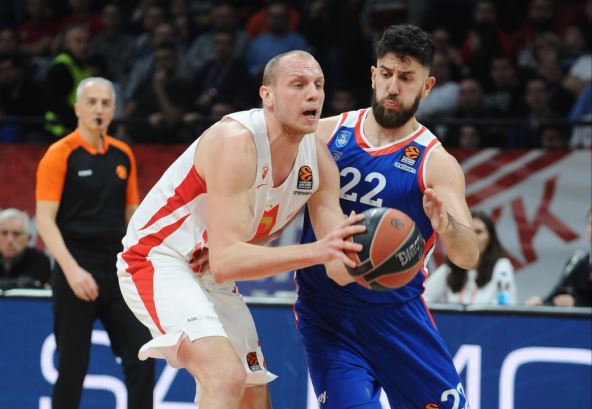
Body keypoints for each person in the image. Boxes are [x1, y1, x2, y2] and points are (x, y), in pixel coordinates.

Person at [116, 50, 365, 409]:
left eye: (319, 84)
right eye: (298, 85)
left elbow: (338, 266)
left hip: (209, 264)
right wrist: (318, 250)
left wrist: (377, 262)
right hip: (158, 257)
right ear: (268, 95)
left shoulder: (320, 163)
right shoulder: (235, 140)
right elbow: (227, 263)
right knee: (224, 375)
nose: (313, 94)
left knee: (253, 394)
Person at [294, 24, 480, 409]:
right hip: (329, 317)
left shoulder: (436, 162)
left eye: (406, 78)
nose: (393, 87)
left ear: (427, 86)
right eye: (387, 74)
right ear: (373, 75)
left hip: (396, 317)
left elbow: (468, 256)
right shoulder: (325, 135)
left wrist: (445, 227)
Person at [35, 77, 154, 409]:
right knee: (72, 368)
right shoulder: (59, 154)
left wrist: (143, 262)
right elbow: (44, 220)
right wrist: (72, 271)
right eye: (91, 102)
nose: (98, 109)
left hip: (116, 268)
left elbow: (133, 216)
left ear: (113, 109)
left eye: (105, 103)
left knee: (142, 356)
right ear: (77, 108)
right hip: (75, 266)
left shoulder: (123, 154)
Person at [424, 210, 517, 305]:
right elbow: (424, 296)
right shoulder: (450, 268)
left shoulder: (501, 266)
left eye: (478, 232)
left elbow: (506, 305)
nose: (473, 237)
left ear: (490, 238)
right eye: (469, 232)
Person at [526, 208, 591, 307]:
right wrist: (542, 303)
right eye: (591, 223)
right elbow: (557, 294)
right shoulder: (578, 261)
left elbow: (576, 302)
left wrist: (578, 304)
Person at [0, 208, 51, 290]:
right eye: (4, 233)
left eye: (16, 234)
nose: (10, 240)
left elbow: (35, 284)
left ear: (28, 238)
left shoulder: (39, 260)